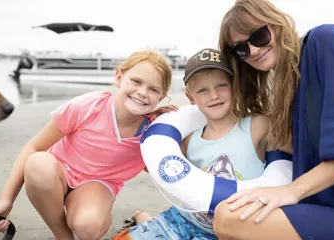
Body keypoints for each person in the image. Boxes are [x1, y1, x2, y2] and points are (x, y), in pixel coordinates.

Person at [211, 0, 334, 239]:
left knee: (229, 218)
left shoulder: (326, 41)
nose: (254, 51)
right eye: (241, 50)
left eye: (258, 36)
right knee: (230, 212)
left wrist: (292, 191)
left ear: (276, 24)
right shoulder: (288, 90)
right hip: (327, 207)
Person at [0, 50, 176, 239]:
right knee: (37, 163)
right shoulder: (89, 106)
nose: (142, 92)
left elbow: (158, 169)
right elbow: (34, 147)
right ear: (119, 77)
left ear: (161, 97)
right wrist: (7, 200)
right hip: (57, 174)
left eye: (153, 89)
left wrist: (169, 128)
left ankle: (104, 212)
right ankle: (63, 236)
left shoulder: (152, 131)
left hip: (97, 185)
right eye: (136, 81)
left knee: (88, 226)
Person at [111, 48, 274, 240]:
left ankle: (142, 216)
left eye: (221, 85)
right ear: (190, 98)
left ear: (235, 87)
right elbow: (155, 167)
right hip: (183, 221)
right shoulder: (190, 140)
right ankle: (142, 217)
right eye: (203, 90)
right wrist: (152, 127)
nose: (213, 95)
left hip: (230, 231)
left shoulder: (257, 125)